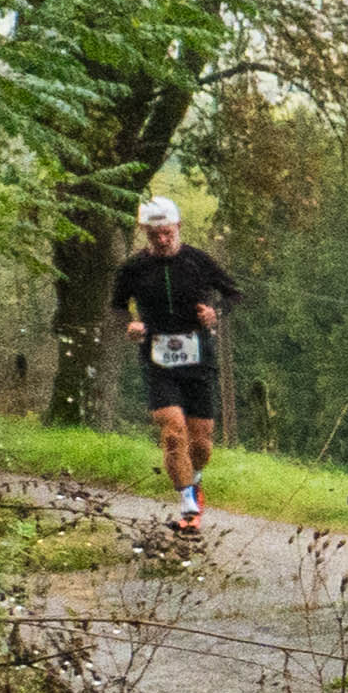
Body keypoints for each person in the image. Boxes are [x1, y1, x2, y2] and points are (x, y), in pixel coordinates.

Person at [111, 197, 240, 532]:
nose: (162, 240)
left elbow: (233, 294)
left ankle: (194, 481)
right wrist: (130, 324)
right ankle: (188, 508)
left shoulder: (198, 261)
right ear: (144, 232)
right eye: (154, 235)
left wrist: (215, 313)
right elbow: (117, 306)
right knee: (172, 432)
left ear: (178, 227)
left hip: (198, 358)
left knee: (201, 443)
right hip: (158, 359)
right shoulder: (133, 268)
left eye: (167, 233)